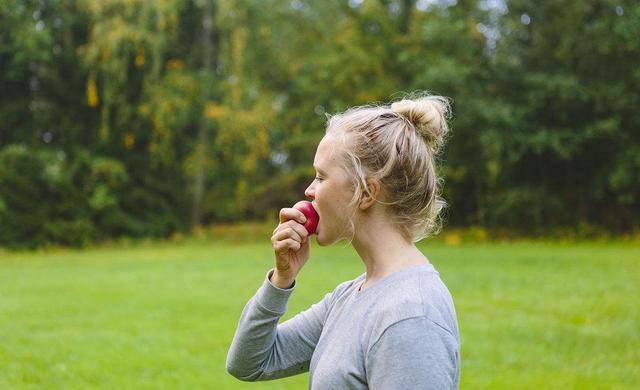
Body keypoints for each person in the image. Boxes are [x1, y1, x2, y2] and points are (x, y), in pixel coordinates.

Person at [226, 92, 460, 389]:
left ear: (366, 192)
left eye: (322, 177)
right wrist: (282, 279)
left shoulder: (411, 316)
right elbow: (249, 362)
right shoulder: (351, 296)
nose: (310, 191)